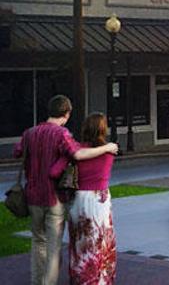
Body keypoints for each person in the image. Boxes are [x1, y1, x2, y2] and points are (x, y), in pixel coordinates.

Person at [12, 95, 118, 285]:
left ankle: (37, 282)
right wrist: (108, 147)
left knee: (38, 242)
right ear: (66, 114)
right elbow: (76, 153)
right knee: (53, 249)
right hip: (53, 198)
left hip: (32, 196)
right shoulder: (62, 134)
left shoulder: (29, 133)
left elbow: (17, 152)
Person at [63, 113, 117, 285]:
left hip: (78, 199)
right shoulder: (109, 151)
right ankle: (99, 279)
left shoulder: (77, 150)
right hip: (99, 199)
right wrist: (107, 146)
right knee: (100, 239)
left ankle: (80, 277)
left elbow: (79, 155)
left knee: (79, 239)